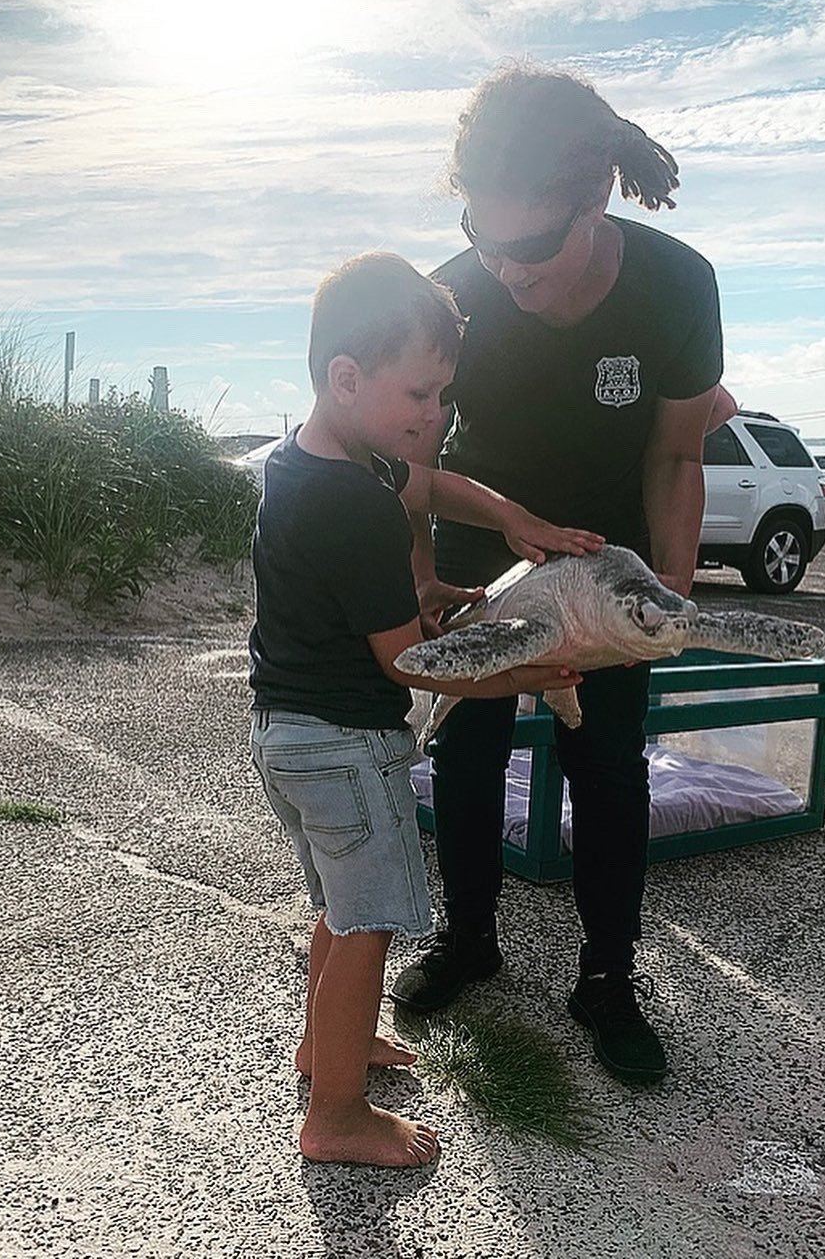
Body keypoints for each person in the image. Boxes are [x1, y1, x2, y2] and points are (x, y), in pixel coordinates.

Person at [392, 63, 733, 1084]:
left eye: (529, 247)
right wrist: (419, 576)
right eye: (477, 237)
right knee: (461, 755)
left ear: (593, 202)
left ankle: (608, 975)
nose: (504, 269)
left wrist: (662, 605)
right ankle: (468, 939)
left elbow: (676, 457)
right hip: (479, 553)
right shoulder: (451, 297)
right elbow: (412, 464)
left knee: (610, 769)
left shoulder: (678, 283)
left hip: (608, 566)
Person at [248, 251, 604, 1168]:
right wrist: (527, 670)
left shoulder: (303, 462)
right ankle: (335, 1113)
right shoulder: (354, 505)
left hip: (284, 733)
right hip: (344, 747)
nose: (433, 415)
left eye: (444, 394)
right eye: (418, 393)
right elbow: (413, 664)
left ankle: (327, 1045)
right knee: (368, 920)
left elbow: (427, 493)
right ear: (346, 377)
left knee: (337, 904)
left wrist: (489, 535)